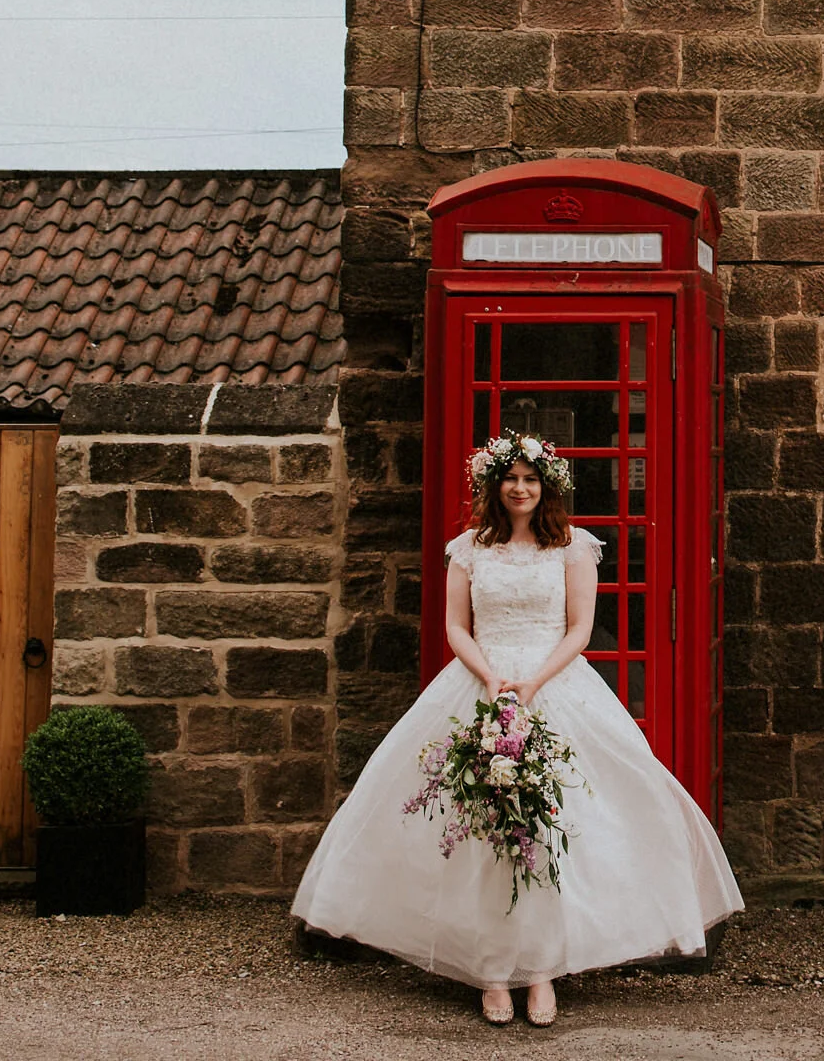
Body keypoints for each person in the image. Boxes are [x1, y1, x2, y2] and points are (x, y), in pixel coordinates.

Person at [291, 436, 742, 1025]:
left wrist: (532, 684)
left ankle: (544, 973)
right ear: (493, 486)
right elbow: (456, 626)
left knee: (553, 833)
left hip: (554, 686)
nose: (520, 488)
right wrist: (491, 679)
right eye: (510, 478)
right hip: (482, 686)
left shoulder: (573, 548)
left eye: (531, 478)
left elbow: (580, 629)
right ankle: (494, 973)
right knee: (480, 833)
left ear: (545, 486)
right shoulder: (468, 549)